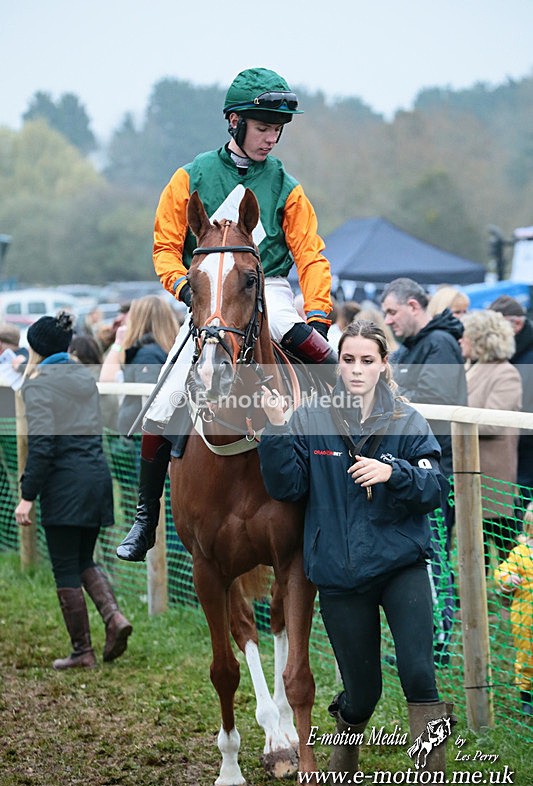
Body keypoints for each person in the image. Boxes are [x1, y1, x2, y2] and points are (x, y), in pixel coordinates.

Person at [117, 66, 336, 563]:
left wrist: (318, 314)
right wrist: (183, 286)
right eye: (262, 127)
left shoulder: (286, 184)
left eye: (277, 129)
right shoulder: (189, 176)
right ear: (234, 122)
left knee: (327, 357)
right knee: (162, 401)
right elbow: (166, 247)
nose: (271, 138)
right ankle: (145, 516)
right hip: (207, 297)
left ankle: (350, 477)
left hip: (269, 289)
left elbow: (311, 254)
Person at [258, 319, 452, 786]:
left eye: (368, 360)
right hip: (340, 574)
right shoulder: (310, 418)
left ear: (384, 364)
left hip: (399, 563)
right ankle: (343, 756)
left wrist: (394, 472)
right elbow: (288, 487)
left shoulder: (407, 421)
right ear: (337, 363)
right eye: (348, 360)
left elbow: (435, 487)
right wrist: (277, 430)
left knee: (419, 673)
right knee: (362, 691)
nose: (357, 370)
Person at [14, 312, 132, 670]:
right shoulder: (84, 376)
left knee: (66, 567)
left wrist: (27, 495)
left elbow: (44, 445)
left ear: (36, 349)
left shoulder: (39, 385)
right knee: (84, 560)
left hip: (64, 488)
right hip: (96, 480)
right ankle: (114, 619)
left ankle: (83, 651)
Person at [381, 277, 467, 665]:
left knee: (435, 560)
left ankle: (440, 646)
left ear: (414, 306)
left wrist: (392, 394)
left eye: (392, 312)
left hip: (436, 468)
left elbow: (436, 399)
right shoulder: (412, 347)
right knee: (421, 556)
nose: (388, 321)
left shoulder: (440, 344)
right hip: (411, 467)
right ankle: (424, 642)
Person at [460, 309, 522, 571]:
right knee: (474, 545)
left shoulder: (505, 373)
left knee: (505, 546)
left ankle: (515, 603)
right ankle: (479, 605)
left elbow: (494, 422)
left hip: (493, 478)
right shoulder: (473, 368)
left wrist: (452, 420)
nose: (461, 341)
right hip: (470, 472)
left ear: (481, 339)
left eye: (466, 336)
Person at [99, 295, 179, 436]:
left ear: (138, 319)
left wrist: (118, 342)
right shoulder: (165, 350)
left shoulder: (147, 354)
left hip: (140, 435)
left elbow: (107, 380)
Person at [489, 295, 533, 506]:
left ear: (516, 324)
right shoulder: (504, 353)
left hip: (526, 444)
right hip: (508, 445)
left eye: (496, 325)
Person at [494, 501, 533, 717]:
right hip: (525, 617)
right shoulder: (520, 552)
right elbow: (502, 571)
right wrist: (508, 579)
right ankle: (526, 695)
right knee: (527, 656)